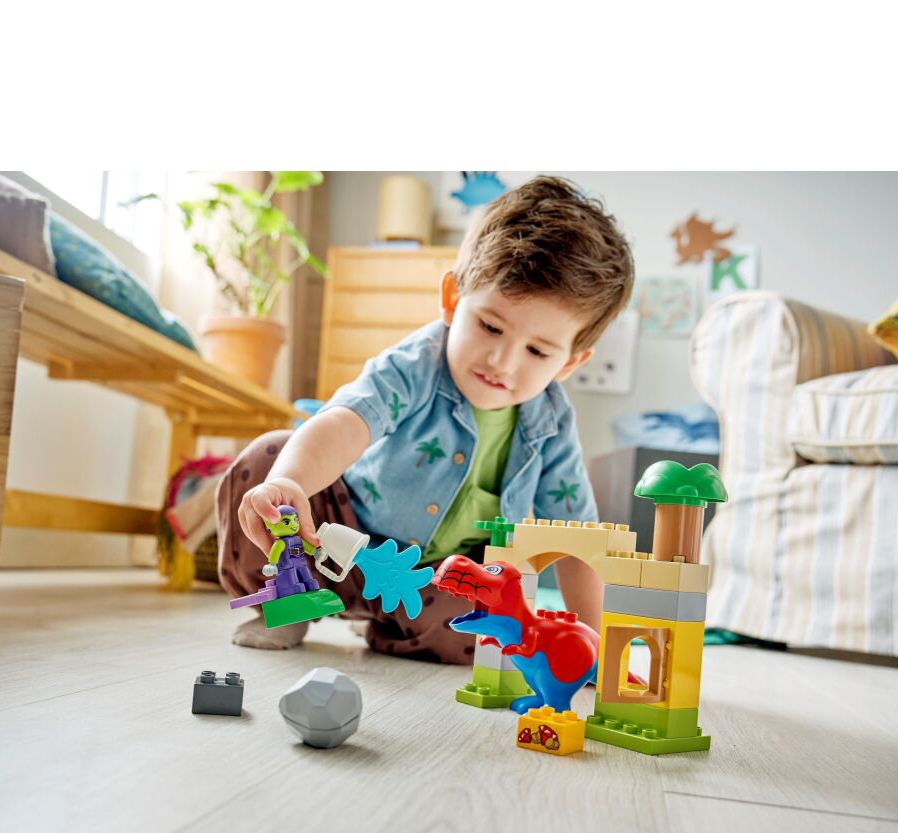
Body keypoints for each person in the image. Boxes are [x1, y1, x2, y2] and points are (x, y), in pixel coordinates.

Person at [216, 175, 635, 663]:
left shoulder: (552, 424)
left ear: (569, 363)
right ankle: (287, 605)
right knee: (268, 459)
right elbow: (345, 423)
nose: (503, 361)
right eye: (490, 326)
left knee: (487, 628)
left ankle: (387, 630)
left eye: (538, 351)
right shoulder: (415, 364)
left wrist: (591, 645)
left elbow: (576, 539)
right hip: (333, 539)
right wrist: (289, 481)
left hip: (427, 581)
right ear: (453, 299)